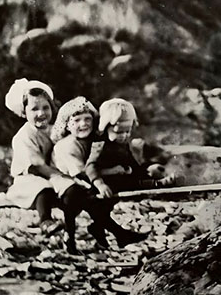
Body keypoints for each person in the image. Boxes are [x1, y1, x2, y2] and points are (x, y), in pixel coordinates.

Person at [50, 96, 148, 252]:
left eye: (87, 119)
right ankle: (70, 236)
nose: (83, 124)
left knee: (104, 196)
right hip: (64, 178)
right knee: (76, 195)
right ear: (67, 125)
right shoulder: (66, 146)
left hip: (86, 179)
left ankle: (107, 231)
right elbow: (80, 171)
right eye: (76, 121)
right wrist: (111, 172)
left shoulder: (92, 140)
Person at [4, 78, 68, 235]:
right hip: (28, 177)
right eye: (34, 109)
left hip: (50, 174)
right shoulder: (24, 135)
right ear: (24, 112)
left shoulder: (53, 130)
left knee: (69, 187)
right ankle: (45, 221)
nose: (41, 113)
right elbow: (37, 164)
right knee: (42, 188)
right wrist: (58, 176)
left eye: (46, 108)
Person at [84, 98, 174, 195]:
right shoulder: (100, 145)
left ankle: (155, 180)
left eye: (127, 131)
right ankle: (156, 184)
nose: (123, 135)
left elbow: (131, 162)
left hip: (124, 174)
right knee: (127, 182)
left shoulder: (123, 144)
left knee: (141, 173)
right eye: (118, 132)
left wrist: (145, 171)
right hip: (109, 180)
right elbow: (90, 167)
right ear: (105, 128)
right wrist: (100, 184)